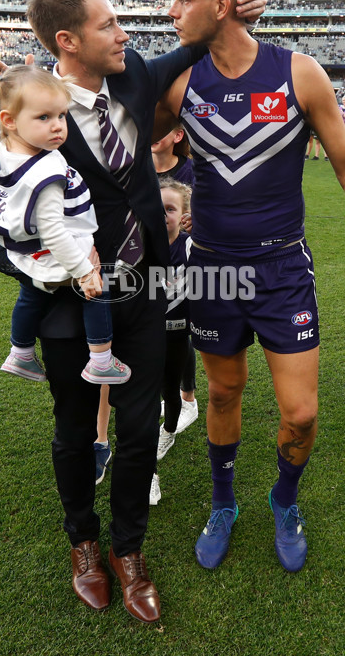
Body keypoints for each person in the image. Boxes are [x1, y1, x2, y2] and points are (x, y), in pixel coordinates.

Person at [0, 0, 267, 622]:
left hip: (145, 297)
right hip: (73, 310)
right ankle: (84, 543)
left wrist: (239, 6)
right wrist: (48, 272)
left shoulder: (132, 80)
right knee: (76, 434)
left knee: (136, 432)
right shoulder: (30, 118)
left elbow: (194, 45)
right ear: (68, 40)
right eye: (108, 24)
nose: (124, 32)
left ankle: (129, 550)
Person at [156, 0, 345, 574]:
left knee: (301, 412)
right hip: (212, 266)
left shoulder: (299, 72)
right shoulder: (179, 82)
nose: (171, 11)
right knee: (223, 392)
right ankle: (222, 502)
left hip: (282, 268)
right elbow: (127, 135)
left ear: (221, 3)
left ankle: (283, 500)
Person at [0, 60, 131, 387]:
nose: (57, 126)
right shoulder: (48, 169)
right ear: (9, 121)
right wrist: (85, 271)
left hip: (22, 251)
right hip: (59, 252)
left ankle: (20, 351)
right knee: (96, 294)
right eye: (44, 118)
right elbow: (55, 232)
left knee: (31, 295)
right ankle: (100, 361)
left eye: (61, 115)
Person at [150, 178, 194, 506]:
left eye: (171, 209)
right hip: (144, 338)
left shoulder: (193, 245)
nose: (164, 214)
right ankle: (147, 473)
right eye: (158, 207)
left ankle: (169, 433)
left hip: (179, 336)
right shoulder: (140, 244)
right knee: (144, 402)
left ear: (183, 215)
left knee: (171, 395)